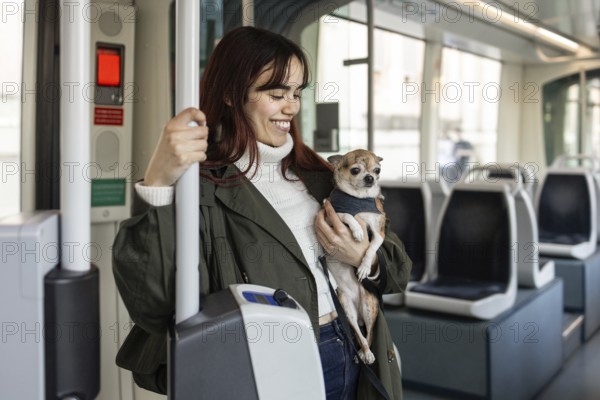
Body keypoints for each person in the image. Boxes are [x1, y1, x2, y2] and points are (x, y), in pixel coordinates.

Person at [112, 26, 411, 400]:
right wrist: (158, 181)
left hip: (349, 346)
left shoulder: (321, 177)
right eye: (276, 93)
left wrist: (360, 256)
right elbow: (156, 305)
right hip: (268, 360)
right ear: (231, 94)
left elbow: (399, 273)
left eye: (296, 93)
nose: (291, 106)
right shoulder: (200, 189)